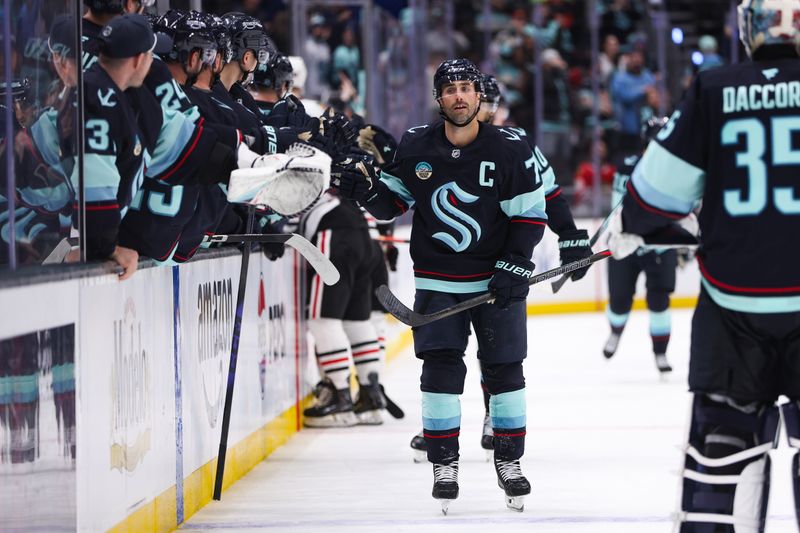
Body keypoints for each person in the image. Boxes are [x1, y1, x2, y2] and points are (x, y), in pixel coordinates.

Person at [606, 1, 800, 530]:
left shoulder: (714, 89)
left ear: (750, 27)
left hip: (735, 310)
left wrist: (631, 226)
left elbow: (650, 198)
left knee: (722, 455)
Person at [333, 58, 546, 513]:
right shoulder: (415, 144)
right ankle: (443, 463)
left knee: (505, 370)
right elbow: (391, 203)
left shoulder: (508, 147)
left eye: (467, 88)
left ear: (478, 95)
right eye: (450, 90)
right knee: (440, 371)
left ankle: (509, 461)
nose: (460, 96)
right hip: (437, 282)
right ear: (438, 98)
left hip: (494, 281)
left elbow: (530, 214)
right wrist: (362, 190)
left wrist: (515, 262)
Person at [409, 73, 593, 462]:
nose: (484, 107)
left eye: (486, 99)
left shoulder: (513, 142)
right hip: (450, 269)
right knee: (445, 356)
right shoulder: (436, 141)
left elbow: (547, 193)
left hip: (499, 261)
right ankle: (443, 421)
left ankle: (494, 414)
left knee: (497, 355)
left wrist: (570, 235)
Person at [70, 13, 157, 279]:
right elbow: (93, 181)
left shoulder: (100, 90)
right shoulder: (101, 100)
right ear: (138, 60)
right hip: (69, 247)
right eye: (151, 55)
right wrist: (107, 248)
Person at [603, 116, 678, 374]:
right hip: (627, 244)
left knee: (660, 301)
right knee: (620, 301)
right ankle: (615, 332)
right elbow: (619, 207)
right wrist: (622, 232)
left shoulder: (676, 170)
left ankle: (660, 353)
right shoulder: (628, 166)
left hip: (660, 247)